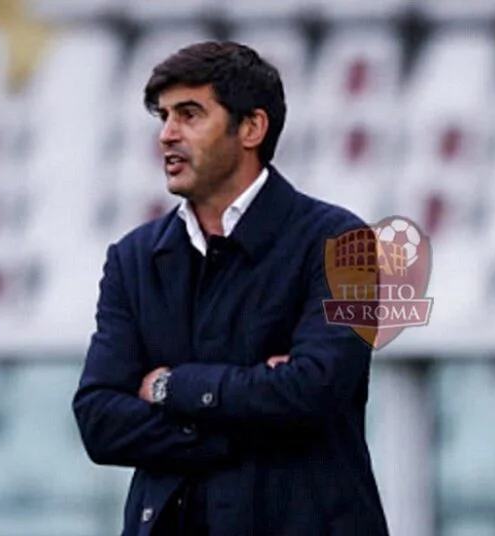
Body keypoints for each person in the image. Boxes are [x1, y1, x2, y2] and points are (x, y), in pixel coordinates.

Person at [72, 41, 390, 536]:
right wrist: (253, 412)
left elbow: (314, 391)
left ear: (251, 128)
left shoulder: (346, 243)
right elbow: (98, 421)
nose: (167, 135)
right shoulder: (132, 259)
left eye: (190, 114)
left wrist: (167, 387)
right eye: (164, 116)